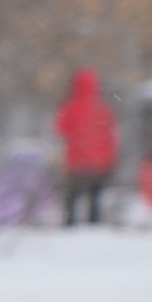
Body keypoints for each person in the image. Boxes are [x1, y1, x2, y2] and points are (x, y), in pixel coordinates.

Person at [54, 67, 118, 227]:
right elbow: (111, 136)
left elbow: (60, 129)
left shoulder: (70, 107)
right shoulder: (102, 108)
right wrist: (110, 158)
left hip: (76, 160)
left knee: (72, 196)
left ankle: (69, 224)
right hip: (100, 162)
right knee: (94, 197)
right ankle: (93, 225)